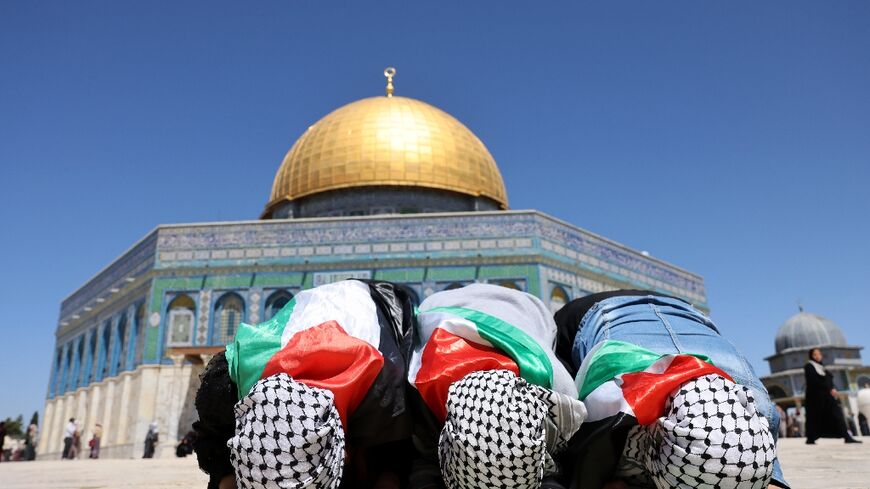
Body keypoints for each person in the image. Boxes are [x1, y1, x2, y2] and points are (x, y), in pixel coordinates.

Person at [193, 279, 417, 489]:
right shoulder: (225, 388)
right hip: (309, 327)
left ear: (344, 453)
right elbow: (216, 454)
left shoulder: (388, 395)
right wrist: (227, 479)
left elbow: (396, 463)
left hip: (381, 307)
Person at [554, 290, 787, 489]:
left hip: (688, 313)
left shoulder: (756, 417)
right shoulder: (614, 404)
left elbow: (762, 477)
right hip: (596, 314)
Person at [407, 283, 586, 489]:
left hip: (525, 311)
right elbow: (425, 461)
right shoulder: (420, 390)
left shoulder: (559, 393)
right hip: (445, 306)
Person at [804, 347, 861, 444]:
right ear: (811, 356)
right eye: (815, 354)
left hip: (827, 398)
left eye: (819, 354)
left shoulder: (822, 368)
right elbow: (814, 381)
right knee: (815, 418)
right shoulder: (809, 366)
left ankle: (846, 436)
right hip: (816, 400)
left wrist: (832, 389)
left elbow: (828, 380)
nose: (817, 356)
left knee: (837, 415)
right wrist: (828, 388)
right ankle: (811, 438)